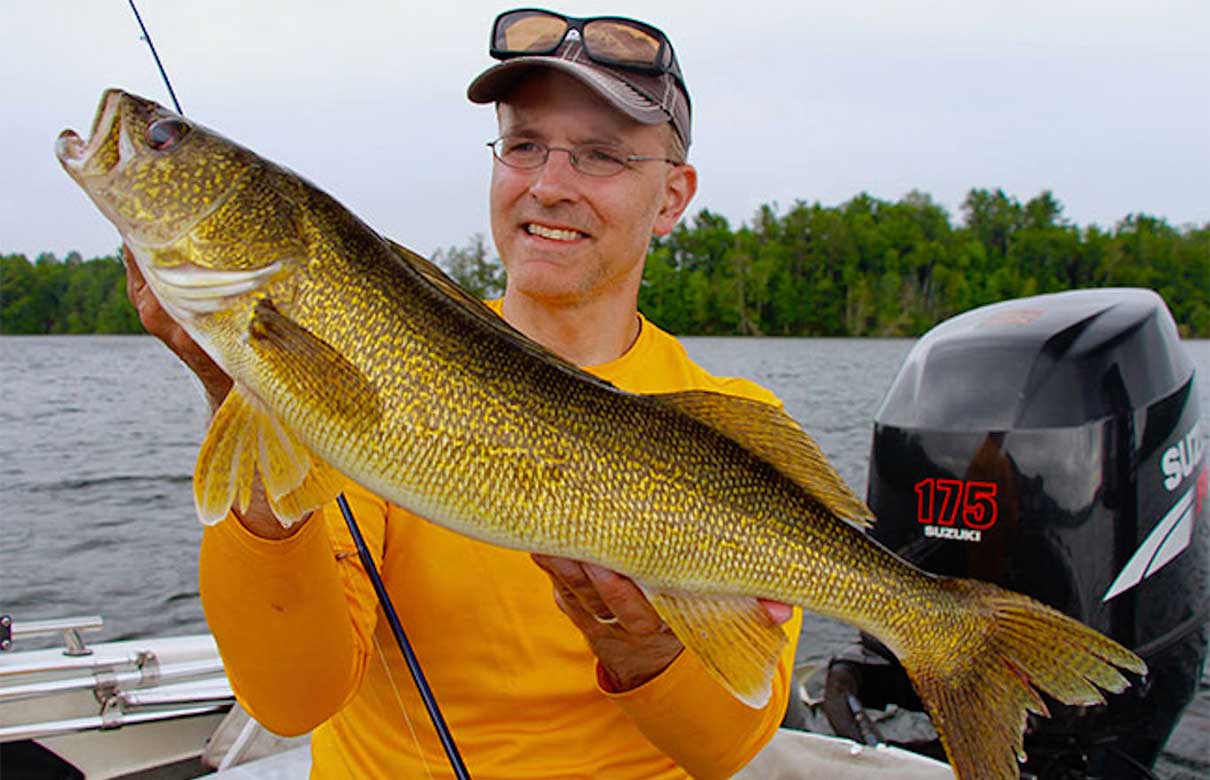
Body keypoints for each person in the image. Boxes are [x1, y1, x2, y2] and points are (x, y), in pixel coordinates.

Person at [125, 8, 802, 779]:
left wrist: (643, 651)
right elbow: (290, 698)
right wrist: (242, 383)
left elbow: (728, 749)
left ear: (673, 197)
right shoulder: (368, 351)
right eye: (523, 146)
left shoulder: (735, 431)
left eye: (601, 156)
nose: (549, 186)